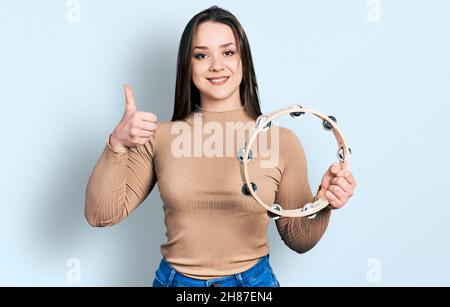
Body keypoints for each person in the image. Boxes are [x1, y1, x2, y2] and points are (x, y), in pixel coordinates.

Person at [84, 6, 357, 287]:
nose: (216, 65)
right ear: (187, 65)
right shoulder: (160, 138)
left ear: (243, 60)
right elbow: (100, 215)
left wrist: (325, 202)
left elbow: (299, 240)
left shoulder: (282, 141)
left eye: (228, 52)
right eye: (201, 55)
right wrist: (115, 145)